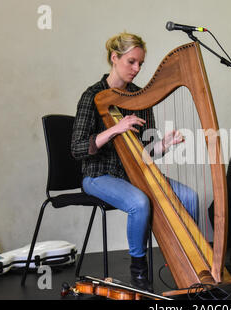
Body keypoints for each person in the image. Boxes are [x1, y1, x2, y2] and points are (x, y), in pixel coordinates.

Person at [71, 32, 199, 291]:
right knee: (140, 203)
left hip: (133, 175)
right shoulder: (92, 96)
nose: (137, 68)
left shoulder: (140, 97)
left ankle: (185, 261)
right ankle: (138, 270)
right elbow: (77, 148)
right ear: (114, 57)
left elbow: (143, 152)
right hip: (98, 176)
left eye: (140, 63)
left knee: (190, 197)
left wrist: (162, 145)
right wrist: (115, 130)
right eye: (131, 62)